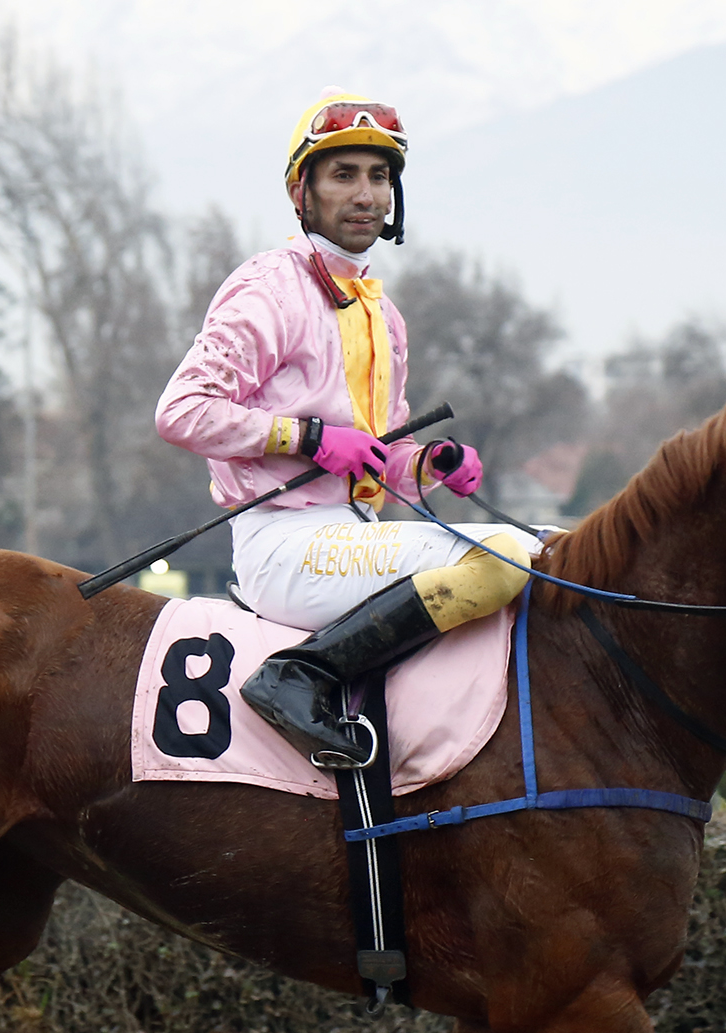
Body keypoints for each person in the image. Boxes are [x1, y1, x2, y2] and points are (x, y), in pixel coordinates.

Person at [155, 89, 539, 768]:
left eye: (379, 176)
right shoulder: (268, 289)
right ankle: (299, 675)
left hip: (354, 535)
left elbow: (384, 457)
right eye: (344, 175)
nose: (366, 194)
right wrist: (307, 438)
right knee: (506, 554)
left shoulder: (383, 315)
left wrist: (428, 464)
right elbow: (182, 411)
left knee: (554, 548)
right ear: (300, 193)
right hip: (282, 544)